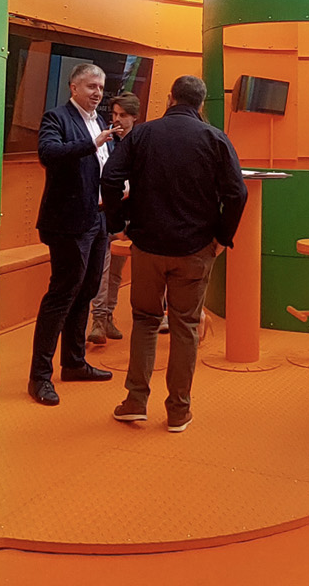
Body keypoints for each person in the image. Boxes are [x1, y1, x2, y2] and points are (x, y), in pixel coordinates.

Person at [103, 75, 248, 433]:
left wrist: (117, 224)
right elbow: (237, 193)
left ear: (170, 98)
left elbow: (110, 178)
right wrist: (222, 238)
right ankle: (178, 411)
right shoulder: (215, 138)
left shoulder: (142, 134)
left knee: (144, 321)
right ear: (201, 103)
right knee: (185, 326)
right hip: (195, 249)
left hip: (148, 247)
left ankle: (135, 401)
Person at [29, 63, 119, 406]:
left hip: (97, 219)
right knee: (62, 295)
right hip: (67, 224)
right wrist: (91, 143)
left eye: (101, 87)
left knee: (86, 292)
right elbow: (48, 154)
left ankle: (74, 363)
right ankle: (39, 377)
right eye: (92, 86)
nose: (97, 92)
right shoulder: (57, 118)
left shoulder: (100, 121)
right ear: (74, 87)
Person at [87, 92, 142, 346]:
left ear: (134, 117)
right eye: (114, 114)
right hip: (106, 212)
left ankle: (108, 316)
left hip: (129, 213)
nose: (117, 119)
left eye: (123, 115)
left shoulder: (141, 141)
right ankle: (98, 319)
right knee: (102, 268)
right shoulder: (106, 140)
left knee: (117, 271)